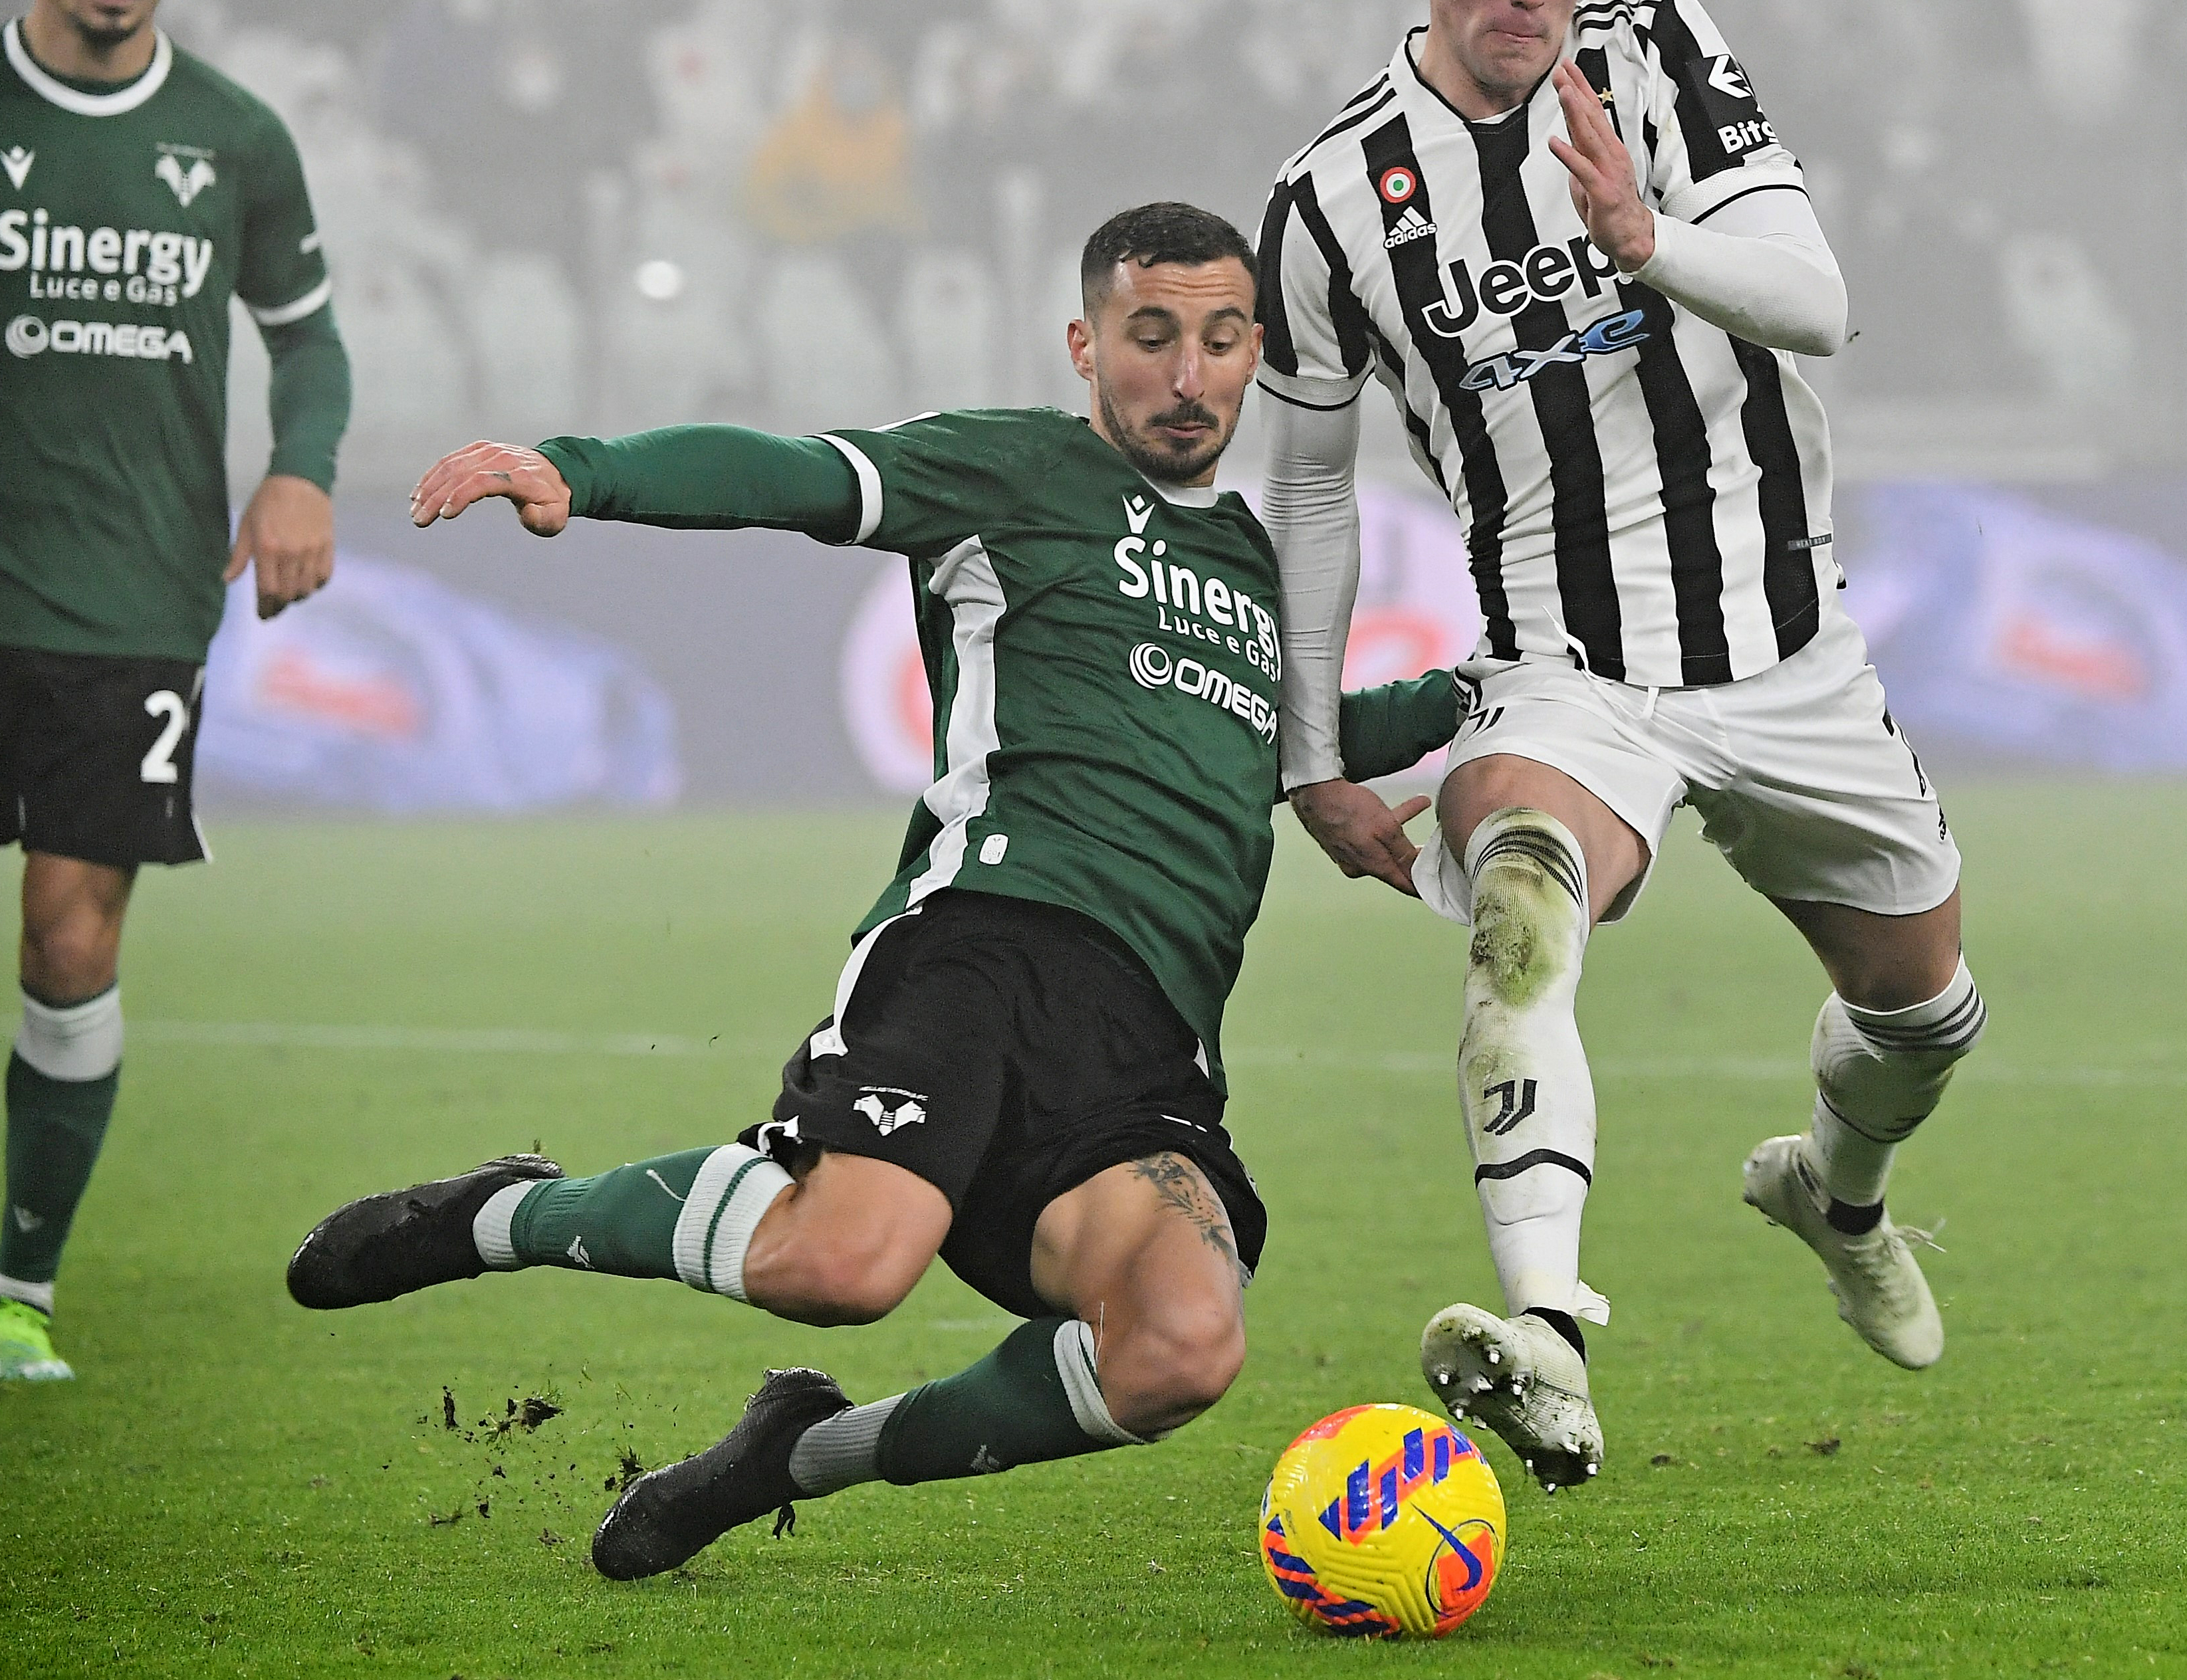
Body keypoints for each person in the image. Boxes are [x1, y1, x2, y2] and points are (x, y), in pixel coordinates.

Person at [286, 203, 1456, 1579]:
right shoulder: (1010, 471)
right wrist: (575, 469)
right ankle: (497, 1215)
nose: (1187, 376)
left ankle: (793, 1455)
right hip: (982, 949)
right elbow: (794, 474)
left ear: (1254, 349)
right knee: (842, 1268)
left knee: (1180, 1353)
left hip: (1148, 1042)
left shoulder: (1257, 568)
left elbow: (1285, 742)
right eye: (1151, 338)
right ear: (1087, 344)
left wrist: (1494, 697)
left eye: (1216, 341)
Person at [1254, 0, 1976, 1489]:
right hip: (1568, 676)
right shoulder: (1334, 202)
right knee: (1518, 906)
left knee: (1926, 1010)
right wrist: (1308, 754)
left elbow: (1820, 301)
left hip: (1792, 656)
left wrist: (1649, 244)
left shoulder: (1656, 62)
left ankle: (1835, 1189)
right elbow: (1313, 496)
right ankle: (1547, 1336)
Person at [1, 0, 352, 1384]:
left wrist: (302, 469)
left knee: (69, 949)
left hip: (130, 605)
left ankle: (18, 1289)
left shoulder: (235, 137)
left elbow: (312, 335)